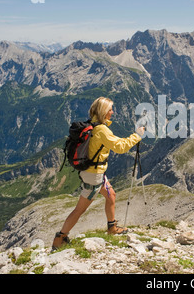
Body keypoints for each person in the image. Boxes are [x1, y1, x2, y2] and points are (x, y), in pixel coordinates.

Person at [52, 97, 145, 250]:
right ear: (103, 111)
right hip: (94, 176)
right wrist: (137, 135)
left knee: (111, 195)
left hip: (96, 173)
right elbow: (120, 147)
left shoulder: (93, 124)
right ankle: (60, 238)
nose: (112, 112)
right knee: (80, 209)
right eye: (110, 109)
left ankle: (112, 228)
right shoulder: (101, 129)